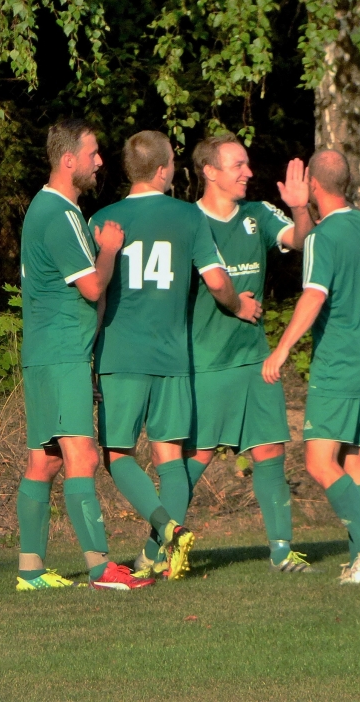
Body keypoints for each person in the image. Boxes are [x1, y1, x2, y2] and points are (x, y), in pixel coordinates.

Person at [91, 131, 261, 580]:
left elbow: (95, 293)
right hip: (172, 357)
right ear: (165, 170)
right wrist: (239, 306)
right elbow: (218, 282)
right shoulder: (188, 217)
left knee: (119, 455)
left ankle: (166, 529)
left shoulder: (103, 218)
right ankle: (158, 553)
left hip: (120, 354)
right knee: (170, 458)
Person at [145, 132, 316, 574]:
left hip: (255, 360)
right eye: (238, 165)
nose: (248, 172)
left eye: (247, 164)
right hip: (204, 363)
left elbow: (302, 240)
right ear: (210, 172)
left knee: (270, 453)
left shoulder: (257, 215)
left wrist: (300, 206)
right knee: (195, 461)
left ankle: (281, 551)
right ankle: (155, 551)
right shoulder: (184, 221)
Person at [16, 119, 153, 591]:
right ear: (68, 159)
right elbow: (93, 285)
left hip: (47, 352)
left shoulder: (53, 209)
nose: (100, 162)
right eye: (93, 153)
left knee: (46, 461)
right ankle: (102, 568)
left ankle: (30, 572)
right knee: (83, 455)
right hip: (59, 355)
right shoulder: (58, 212)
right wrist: (110, 249)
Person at [263, 149, 360, 584]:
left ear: (315, 187)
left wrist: (282, 349)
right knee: (352, 461)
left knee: (320, 462)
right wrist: (301, 209)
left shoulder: (323, 237)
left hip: (338, 361)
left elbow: (314, 294)